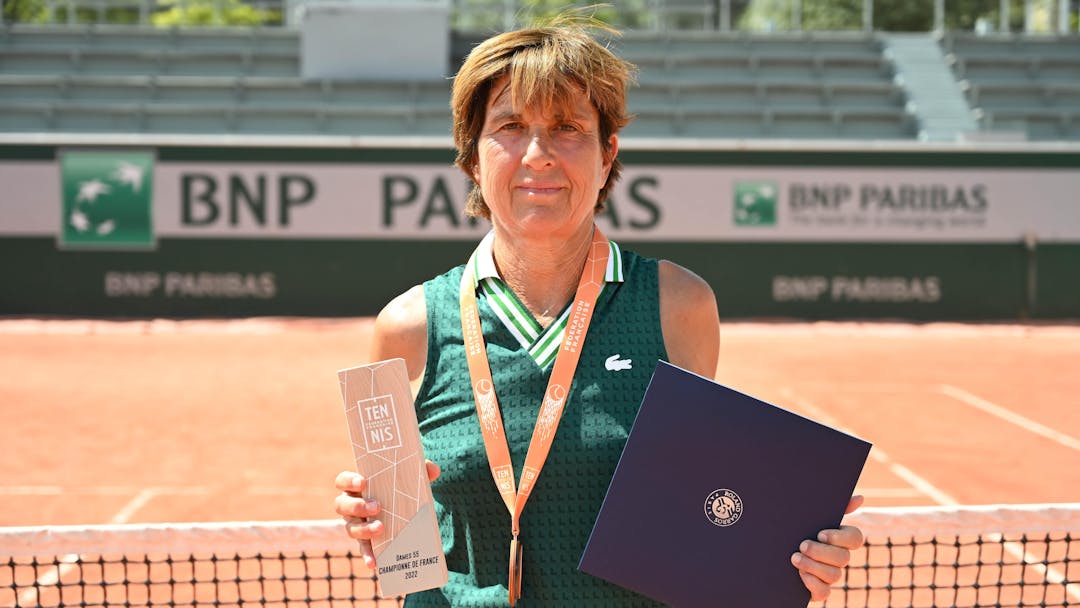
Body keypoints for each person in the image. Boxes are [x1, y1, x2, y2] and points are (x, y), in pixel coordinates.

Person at [334, 12, 865, 607]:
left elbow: (701, 503)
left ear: (607, 153)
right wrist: (374, 519)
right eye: (510, 126)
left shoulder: (676, 304)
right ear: (472, 158)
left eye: (567, 128)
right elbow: (402, 546)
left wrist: (790, 551)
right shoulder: (408, 326)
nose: (538, 154)